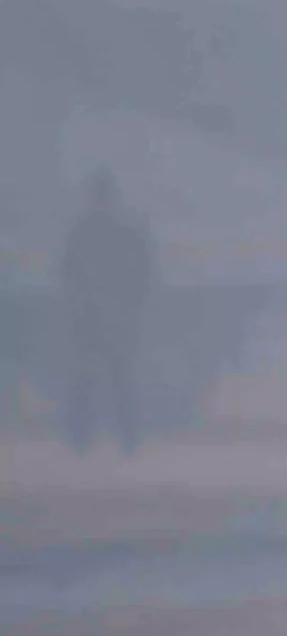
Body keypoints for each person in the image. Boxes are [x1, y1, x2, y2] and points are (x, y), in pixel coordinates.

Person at [58, 170, 156, 455]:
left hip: (92, 318)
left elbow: (68, 273)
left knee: (89, 381)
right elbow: (144, 272)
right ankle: (126, 439)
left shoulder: (82, 229)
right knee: (118, 382)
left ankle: (84, 439)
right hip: (116, 318)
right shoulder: (127, 229)